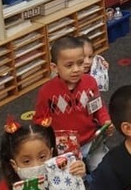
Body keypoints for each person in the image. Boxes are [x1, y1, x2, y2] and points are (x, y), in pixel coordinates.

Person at [34, 36, 112, 171]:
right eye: (69, 65)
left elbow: (99, 107)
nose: (76, 69)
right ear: (55, 67)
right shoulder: (46, 92)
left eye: (80, 63)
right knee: (71, 178)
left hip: (91, 140)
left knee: (103, 170)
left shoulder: (90, 82)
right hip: (64, 148)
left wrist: (106, 121)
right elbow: (38, 120)